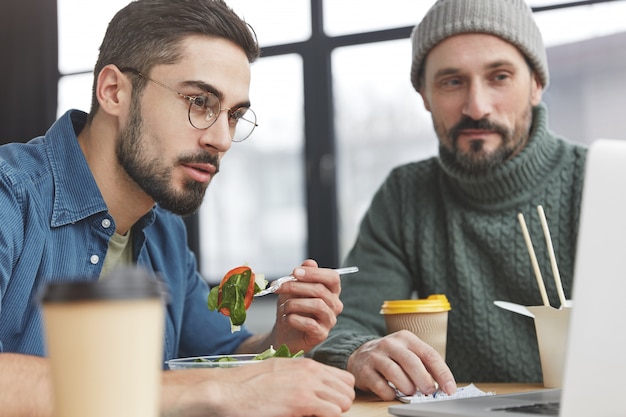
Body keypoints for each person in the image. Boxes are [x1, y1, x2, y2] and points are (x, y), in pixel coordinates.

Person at [0, 1, 355, 416]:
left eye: (234, 115)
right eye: (200, 101)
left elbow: (218, 354)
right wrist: (214, 391)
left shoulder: (164, 230)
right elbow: (214, 387)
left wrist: (281, 340)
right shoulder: (11, 195)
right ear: (114, 91)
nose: (221, 138)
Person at [310, 0, 587, 401]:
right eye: (452, 82)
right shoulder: (404, 196)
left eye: (500, 76)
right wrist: (358, 351)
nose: (476, 107)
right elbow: (347, 322)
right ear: (424, 94)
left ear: (537, 85)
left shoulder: (598, 180)